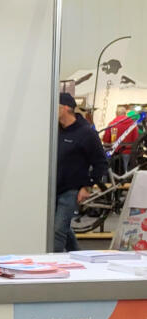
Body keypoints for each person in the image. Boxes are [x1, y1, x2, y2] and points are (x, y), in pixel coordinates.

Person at [54, 92, 107, 252]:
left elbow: (101, 162)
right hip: (52, 189)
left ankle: (49, 265)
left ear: (65, 108)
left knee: (56, 231)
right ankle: (78, 256)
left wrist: (88, 186)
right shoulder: (54, 131)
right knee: (62, 228)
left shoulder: (86, 133)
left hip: (70, 191)